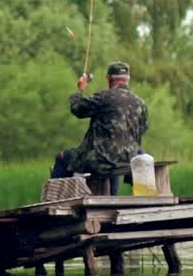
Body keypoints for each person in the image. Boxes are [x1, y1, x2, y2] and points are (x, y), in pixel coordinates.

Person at [51, 61, 149, 194]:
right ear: (128, 79)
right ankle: (112, 199)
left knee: (62, 158)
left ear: (109, 78)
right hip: (129, 160)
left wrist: (80, 88)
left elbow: (77, 108)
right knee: (116, 161)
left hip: (100, 161)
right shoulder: (141, 103)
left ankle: (55, 199)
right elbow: (143, 129)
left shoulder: (103, 97)